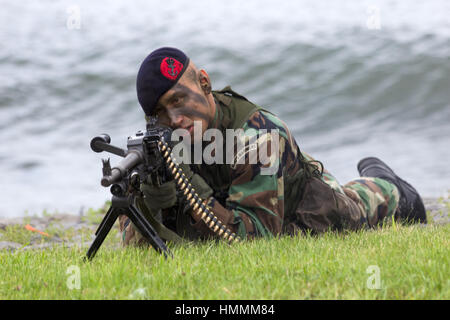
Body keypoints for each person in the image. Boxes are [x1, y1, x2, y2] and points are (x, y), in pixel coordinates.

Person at [119, 47, 427, 246]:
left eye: (178, 100)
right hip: (262, 193)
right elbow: (134, 244)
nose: (174, 119)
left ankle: (389, 183)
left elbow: (257, 242)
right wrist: (152, 198)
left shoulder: (257, 137)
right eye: (159, 113)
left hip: (314, 209)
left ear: (204, 83)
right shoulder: (167, 142)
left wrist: (189, 186)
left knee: (364, 203)